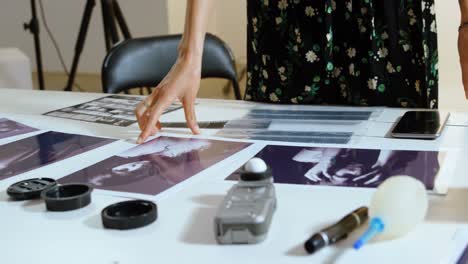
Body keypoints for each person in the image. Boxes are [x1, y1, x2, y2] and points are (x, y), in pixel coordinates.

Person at [135, 0, 468, 144]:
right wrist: (190, 53)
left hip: (387, 30)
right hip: (289, 28)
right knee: (277, 177)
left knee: (396, 174)